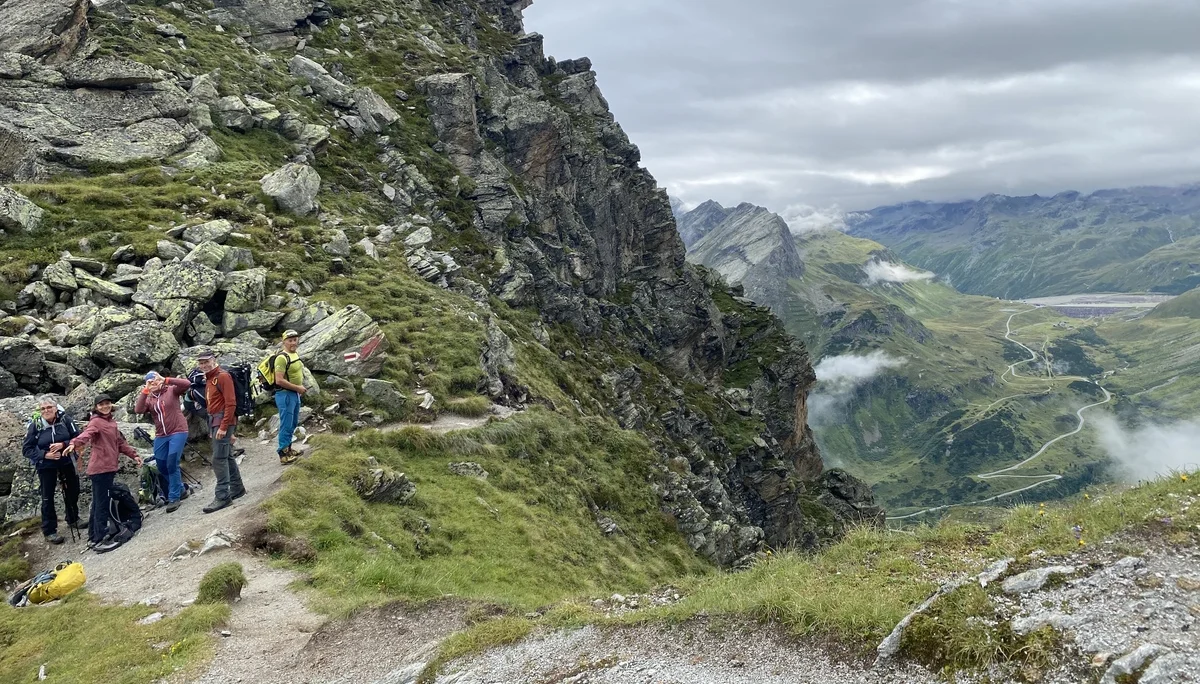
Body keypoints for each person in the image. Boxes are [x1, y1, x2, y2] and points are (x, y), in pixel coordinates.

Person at [65, 394, 143, 548]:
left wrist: (134, 455)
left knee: (97, 503)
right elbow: (86, 435)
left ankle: (93, 536)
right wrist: (74, 443)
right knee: (102, 504)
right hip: (100, 470)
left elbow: (120, 443)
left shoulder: (111, 423)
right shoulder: (96, 422)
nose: (105, 406)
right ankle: (99, 539)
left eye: (107, 403)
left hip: (107, 469)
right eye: (101, 405)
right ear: (96, 407)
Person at [21, 395, 83, 545]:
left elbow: (79, 437)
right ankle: (49, 530)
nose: (46, 410)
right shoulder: (35, 425)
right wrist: (45, 455)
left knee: (73, 489)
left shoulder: (65, 420)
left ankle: (73, 518)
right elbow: (27, 449)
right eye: (43, 408)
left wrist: (63, 444)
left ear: (56, 408)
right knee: (47, 497)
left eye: (49, 407)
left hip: (66, 460)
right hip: (45, 465)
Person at [134, 371, 191, 512]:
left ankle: (174, 498)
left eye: (155, 381)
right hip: (161, 435)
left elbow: (187, 384)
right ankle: (181, 488)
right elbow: (138, 409)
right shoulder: (149, 398)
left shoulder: (171, 390)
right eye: (150, 382)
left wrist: (165, 380)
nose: (154, 384)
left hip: (178, 431)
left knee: (172, 463)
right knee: (161, 465)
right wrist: (145, 390)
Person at [195, 350, 245, 513]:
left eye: (206, 362)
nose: (203, 365)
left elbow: (231, 403)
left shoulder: (222, 377)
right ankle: (237, 488)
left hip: (223, 420)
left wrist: (224, 428)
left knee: (218, 458)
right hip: (216, 421)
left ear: (214, 360)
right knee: (226, 455)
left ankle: (223, 496)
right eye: (201, 363)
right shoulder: (210, 378)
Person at [273, 330, 307, 465]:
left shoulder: (293, 354)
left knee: (292, 423)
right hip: (285, 394)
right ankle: (283, 454)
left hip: (294, 393)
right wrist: (298, 388)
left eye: (295, 340)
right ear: (284, 342)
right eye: (290, 340)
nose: (293, 343)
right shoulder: (281, 358)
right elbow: (279, 380)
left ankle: (289, 449)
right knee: (286, 424)